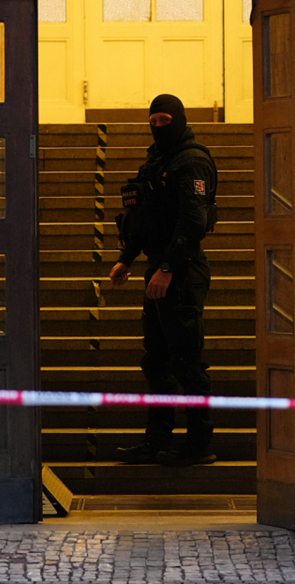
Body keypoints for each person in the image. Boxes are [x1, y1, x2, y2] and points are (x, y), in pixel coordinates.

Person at [109, 94, 218, 467]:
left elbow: (192, 223)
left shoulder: (192, 162)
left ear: (180, 120)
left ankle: (199, 443)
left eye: (164, 120)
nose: (158, 128)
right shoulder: (156, 161)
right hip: (158, 269)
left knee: (187, 361)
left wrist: (168, 269)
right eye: (152, 121)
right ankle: (157, 439)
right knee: (155, 361)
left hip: (182, 272)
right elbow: (144, 216)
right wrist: (127, 258)